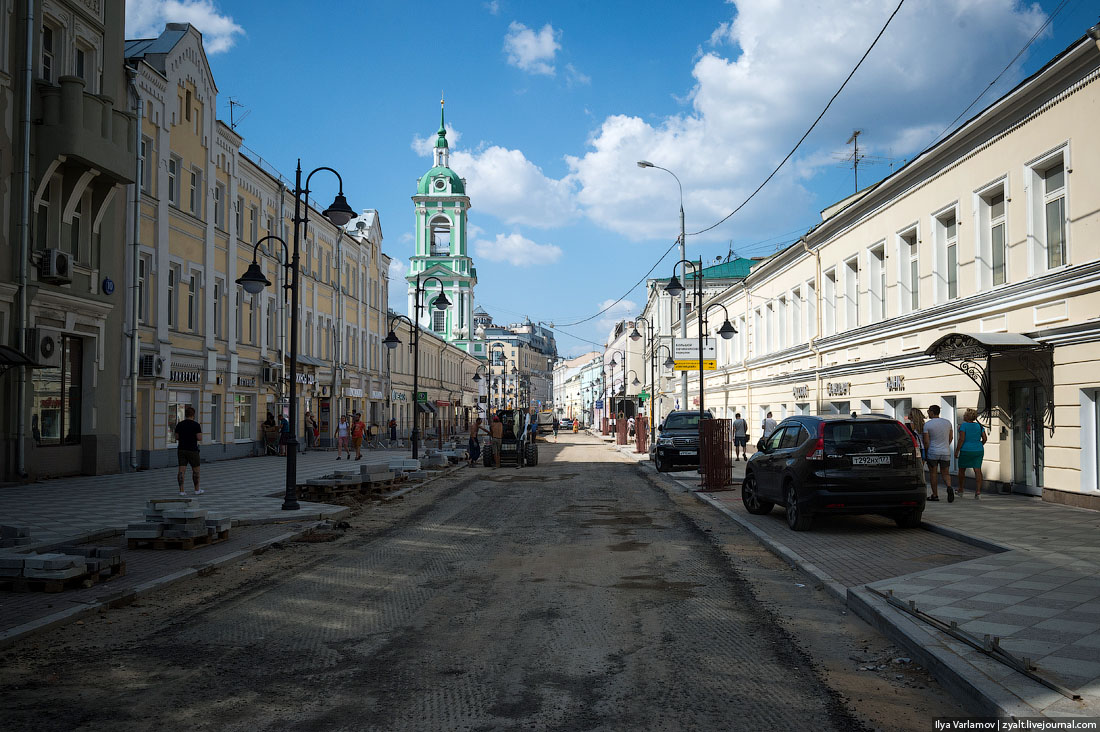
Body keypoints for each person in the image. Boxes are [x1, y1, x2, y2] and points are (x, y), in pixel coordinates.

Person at [923, 404, 954, 502]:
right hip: (945, 452)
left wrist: (927, 452)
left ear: (932, 412)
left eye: (929, 412)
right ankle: (949, 487)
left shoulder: (927, 424)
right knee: (946, 473)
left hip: (933, 452)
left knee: (933, 473)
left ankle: (935, 495)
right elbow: (951, 437)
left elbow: (926, 441)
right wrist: (946, 445)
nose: (928, 413)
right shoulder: (948, 422)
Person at [956, 408, 988, 500]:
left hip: (966, 450)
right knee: (977, 470)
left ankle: (961, 490)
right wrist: (979, 444)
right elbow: (985, 438)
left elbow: (961, 439)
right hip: (978, 450)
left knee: (962, 470)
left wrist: (957, 450)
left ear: (966, 416)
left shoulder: (963, 426)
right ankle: (978, 492)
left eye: (964, 414)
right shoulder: (979, 426)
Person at [174, 406, 203, 496]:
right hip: (192, 450)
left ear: (185, 414)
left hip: (181, 449)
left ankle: (182, 491)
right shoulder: (196, 425)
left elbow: (176, 437)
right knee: (196, 470)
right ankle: (197, 490)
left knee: (181, 471)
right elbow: (199, 438)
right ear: (193, 415)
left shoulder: (179, 424)